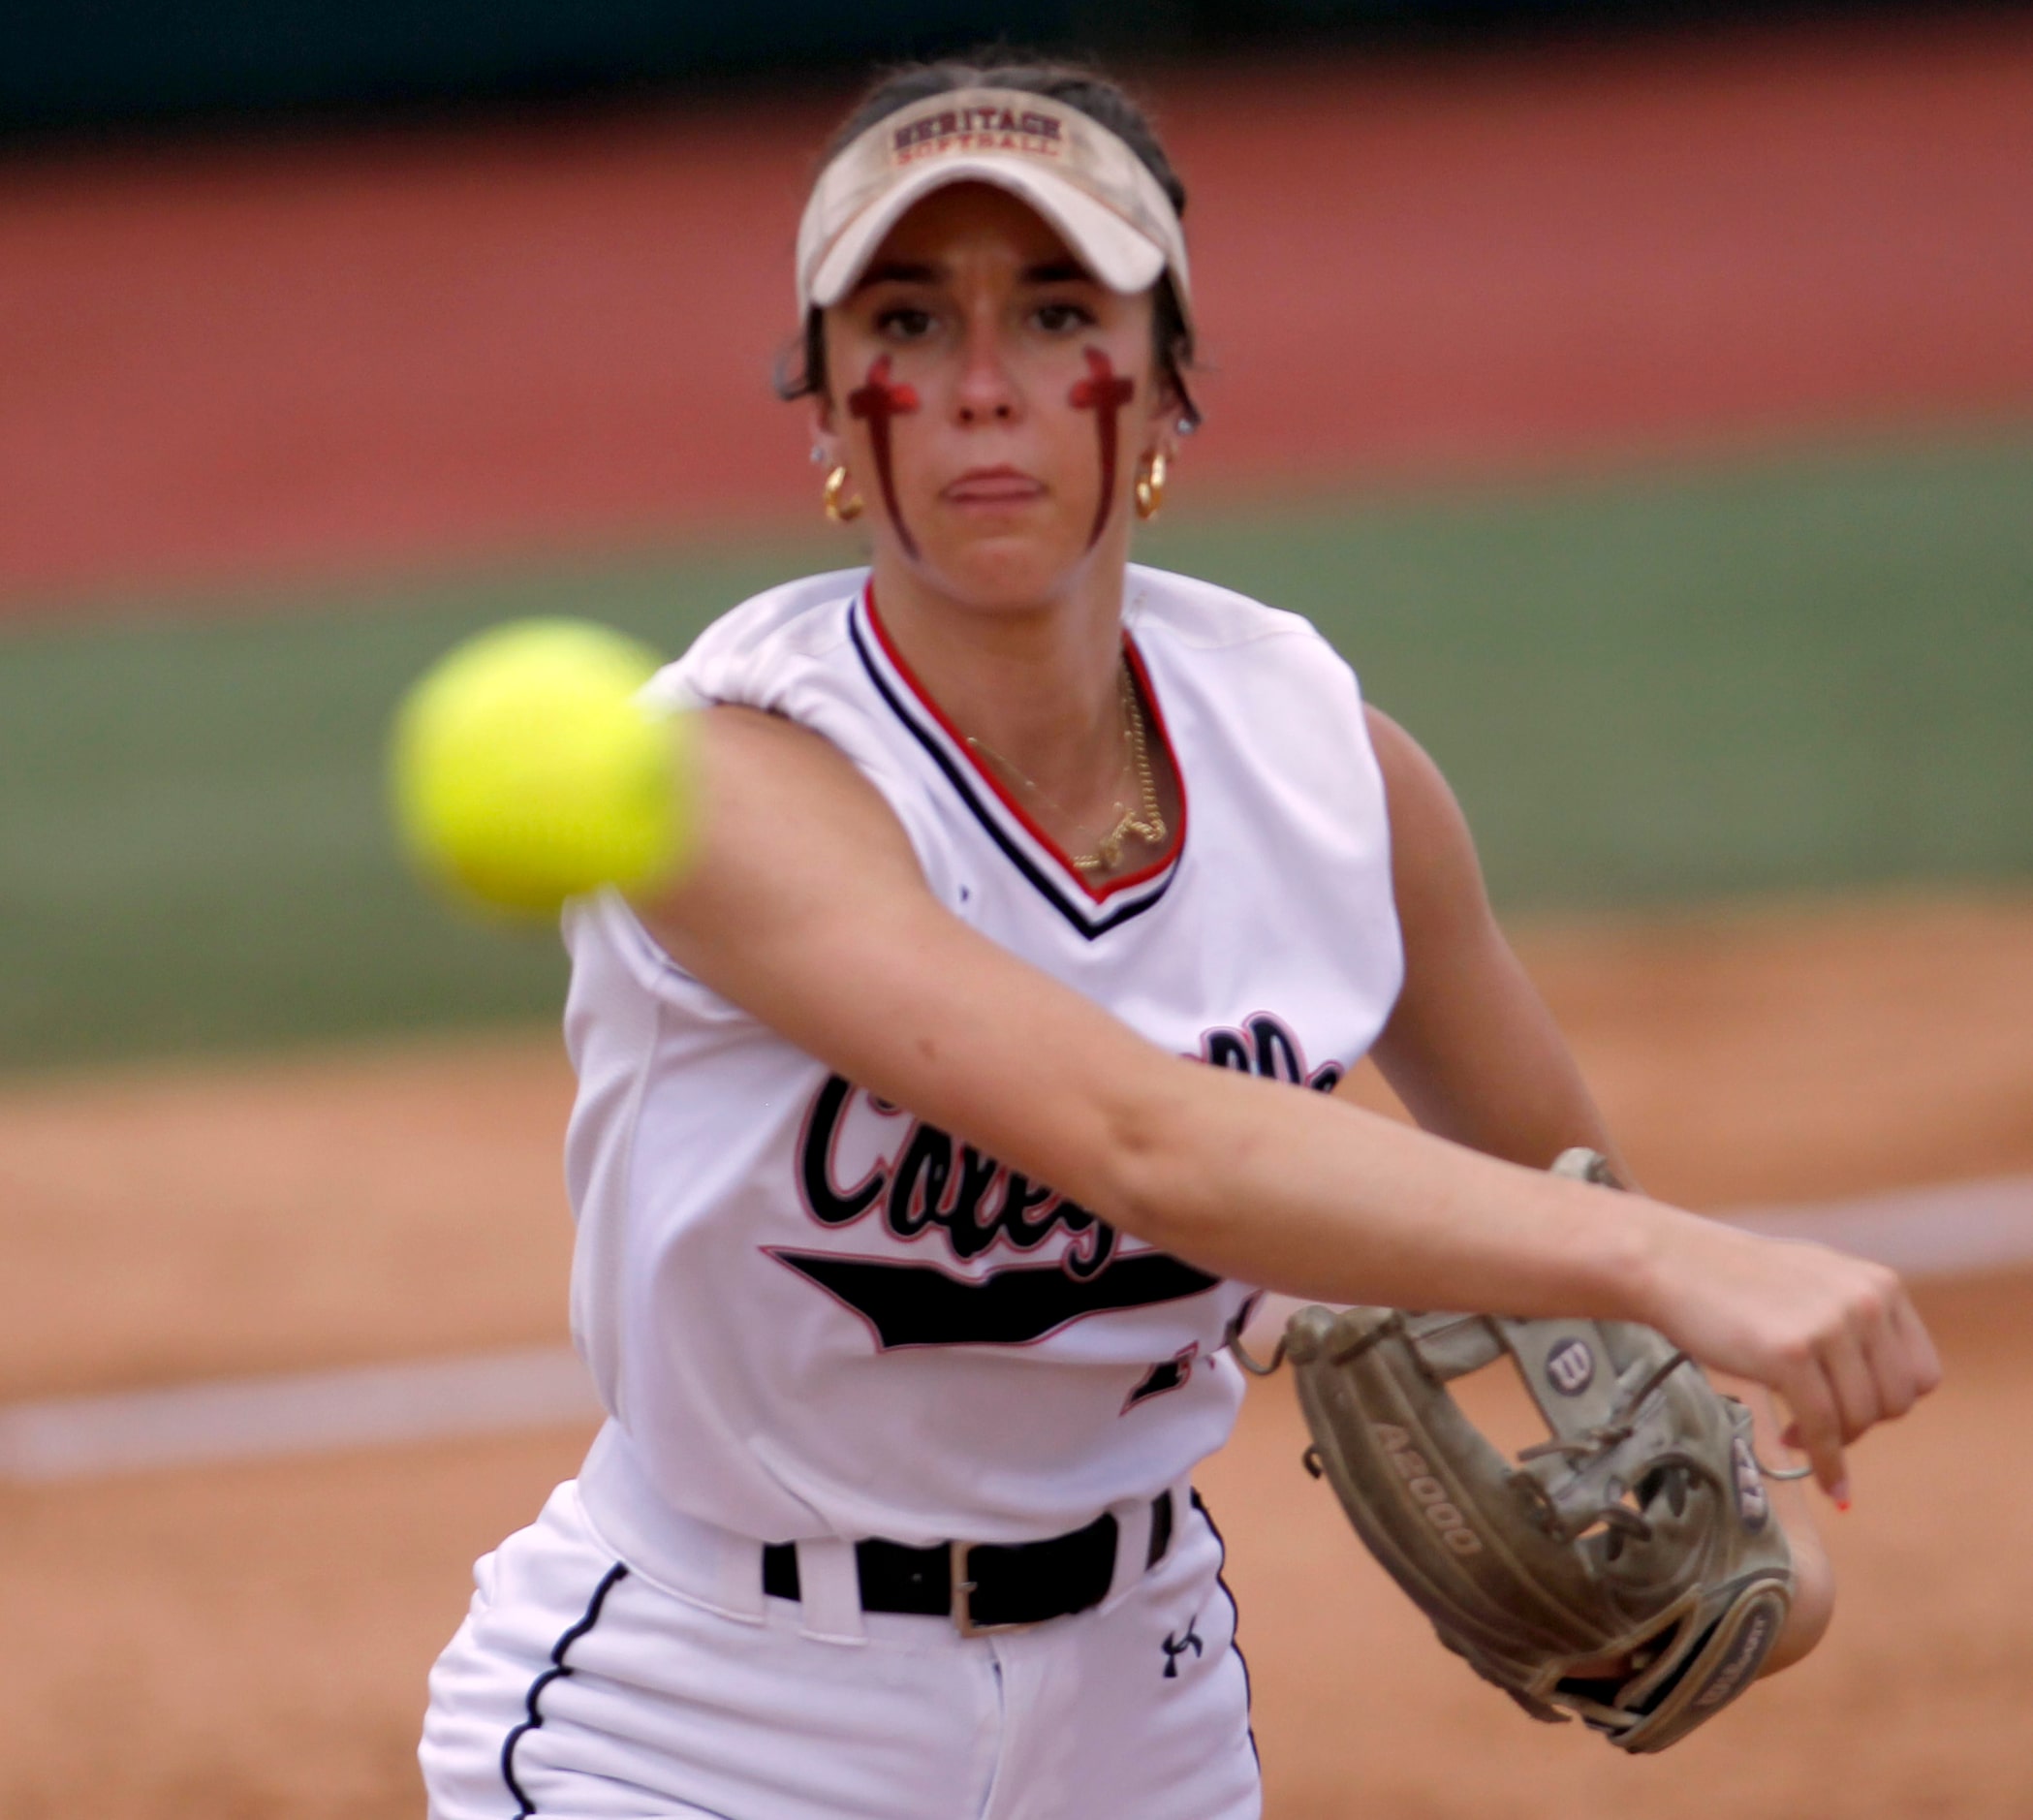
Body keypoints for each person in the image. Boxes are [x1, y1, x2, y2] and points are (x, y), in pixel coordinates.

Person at [419, 55, 1939, 1820]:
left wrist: (1745, 1542)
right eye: (908, 319)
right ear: (831, 417)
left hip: (1141, 1713)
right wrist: (1676, 1256)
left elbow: (1565, 1229)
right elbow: (1145, 1138)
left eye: (1055, 309)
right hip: (699, 1719)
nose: (984, 386)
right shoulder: (721, 775)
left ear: (1160, 398)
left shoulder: (1327, 776)